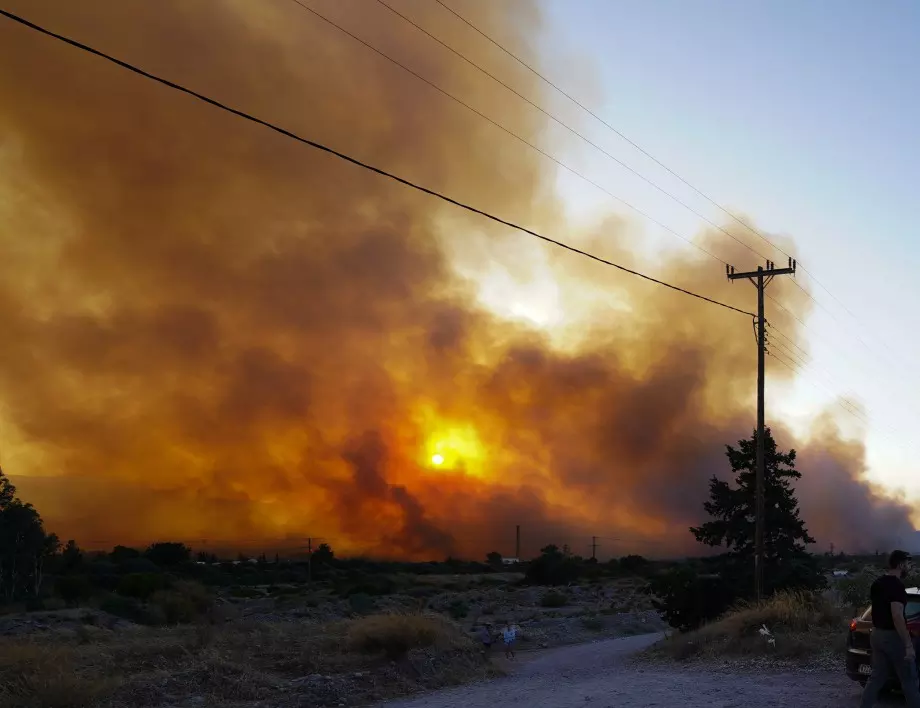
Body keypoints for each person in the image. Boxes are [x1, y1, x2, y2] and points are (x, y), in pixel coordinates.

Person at [860, 550, 920, 708]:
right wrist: (908, 644)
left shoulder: (877, 583)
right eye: (907, 564)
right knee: (909, 679)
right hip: (893, 637)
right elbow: (897, 616)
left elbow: (877, 609)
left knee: (876, 678)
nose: (908, 567)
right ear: (900, 565)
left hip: (877, 635)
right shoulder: (897, 586)